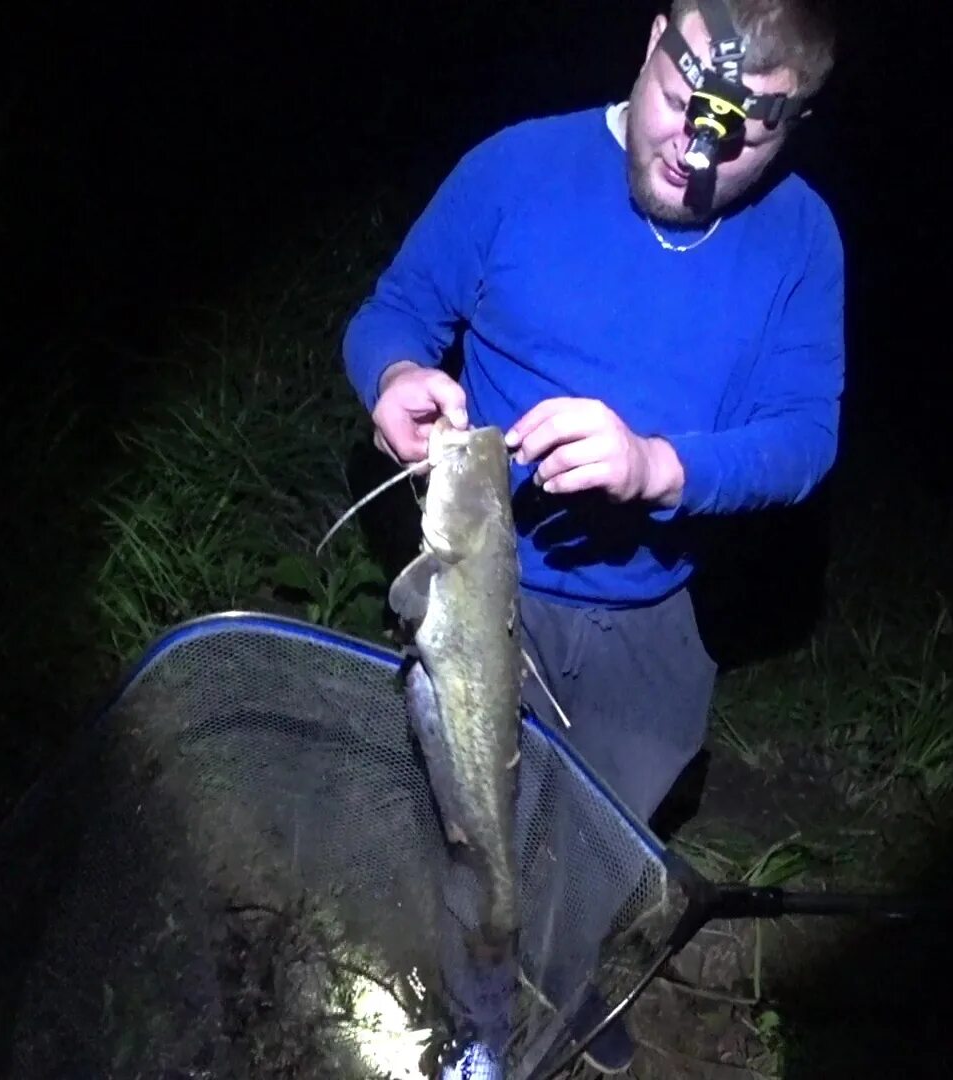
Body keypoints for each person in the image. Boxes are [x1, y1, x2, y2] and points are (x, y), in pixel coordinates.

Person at [341, 0, 842, 1069]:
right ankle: (467, 1022)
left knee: (592, 852)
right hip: (479, 589)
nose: (695, 152)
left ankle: (560, 1004)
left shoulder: (802, 237)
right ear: (652, 42)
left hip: (653, 618)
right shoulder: (516, 169)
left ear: (795, 122)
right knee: (469, 830)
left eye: (745, 133)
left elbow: (805, 439)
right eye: (679, 100)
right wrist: (393, 377)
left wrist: (660, 466)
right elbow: (394, 310)